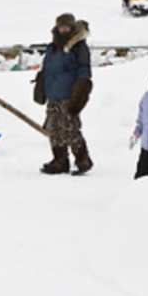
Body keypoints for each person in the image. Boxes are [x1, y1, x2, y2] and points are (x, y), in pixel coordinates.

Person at [39, 12, 94, 175]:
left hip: (69, 94)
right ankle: (59, 160)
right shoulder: (52, 47)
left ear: (72, 28)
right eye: (61, 27)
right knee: (54, 128)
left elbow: (84, 70)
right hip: (53, 94)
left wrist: (80, 92)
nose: (63, 30)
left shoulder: (78, 47)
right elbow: (47, 70)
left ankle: (83, 159)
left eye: (66, 27)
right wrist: (41, 87)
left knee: (70, 128)